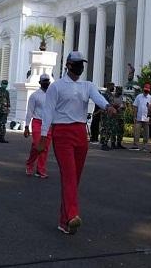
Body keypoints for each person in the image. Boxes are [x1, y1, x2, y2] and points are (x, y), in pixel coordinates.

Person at [37, 51, 117, 235]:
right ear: (68, 65)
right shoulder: (56, 87)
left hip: (80, 132)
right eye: (76, 63)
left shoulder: (87, 85)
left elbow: (98, 98)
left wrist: (108, 107)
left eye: (82, 63)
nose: (80, 67)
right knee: (69, 175)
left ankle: (64, 221)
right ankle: (73, 215)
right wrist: (43, 137)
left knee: (75, 178)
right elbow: (48, 112)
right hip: (62, 133)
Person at [24, 74, 52, 178]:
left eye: (47, 81)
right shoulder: (35, 95)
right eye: (44, 81)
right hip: (37, 122)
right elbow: (29, 111)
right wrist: (26, 126)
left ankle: (40, 170)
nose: (46, 83)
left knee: (44, 148)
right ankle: (30, 163)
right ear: (40, 83)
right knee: (37, 145)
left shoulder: (52, 95)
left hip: (48, 123)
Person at [131, 84, 151, 150]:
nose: (146, 92)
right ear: (143, 89)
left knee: (146, 133)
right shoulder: (139, 96)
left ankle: (145, 146)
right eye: (145, 90)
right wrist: (134, 116)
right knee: (136, 132)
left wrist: (150, 116)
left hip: (146, 118)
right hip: (139, 117)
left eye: (147, 91)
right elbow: (135, 106)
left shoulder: (150, 98)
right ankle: (135, 145)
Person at [99, 83, 117, 151]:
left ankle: (105, 143)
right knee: (105, 129)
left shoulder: (111, 95)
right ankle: (104, 144)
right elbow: (104, 104)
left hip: (110, 114)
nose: (113, 88)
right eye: (112, 86)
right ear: (109, 86)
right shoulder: (105, 95)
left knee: (109, 129)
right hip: (106, 114)